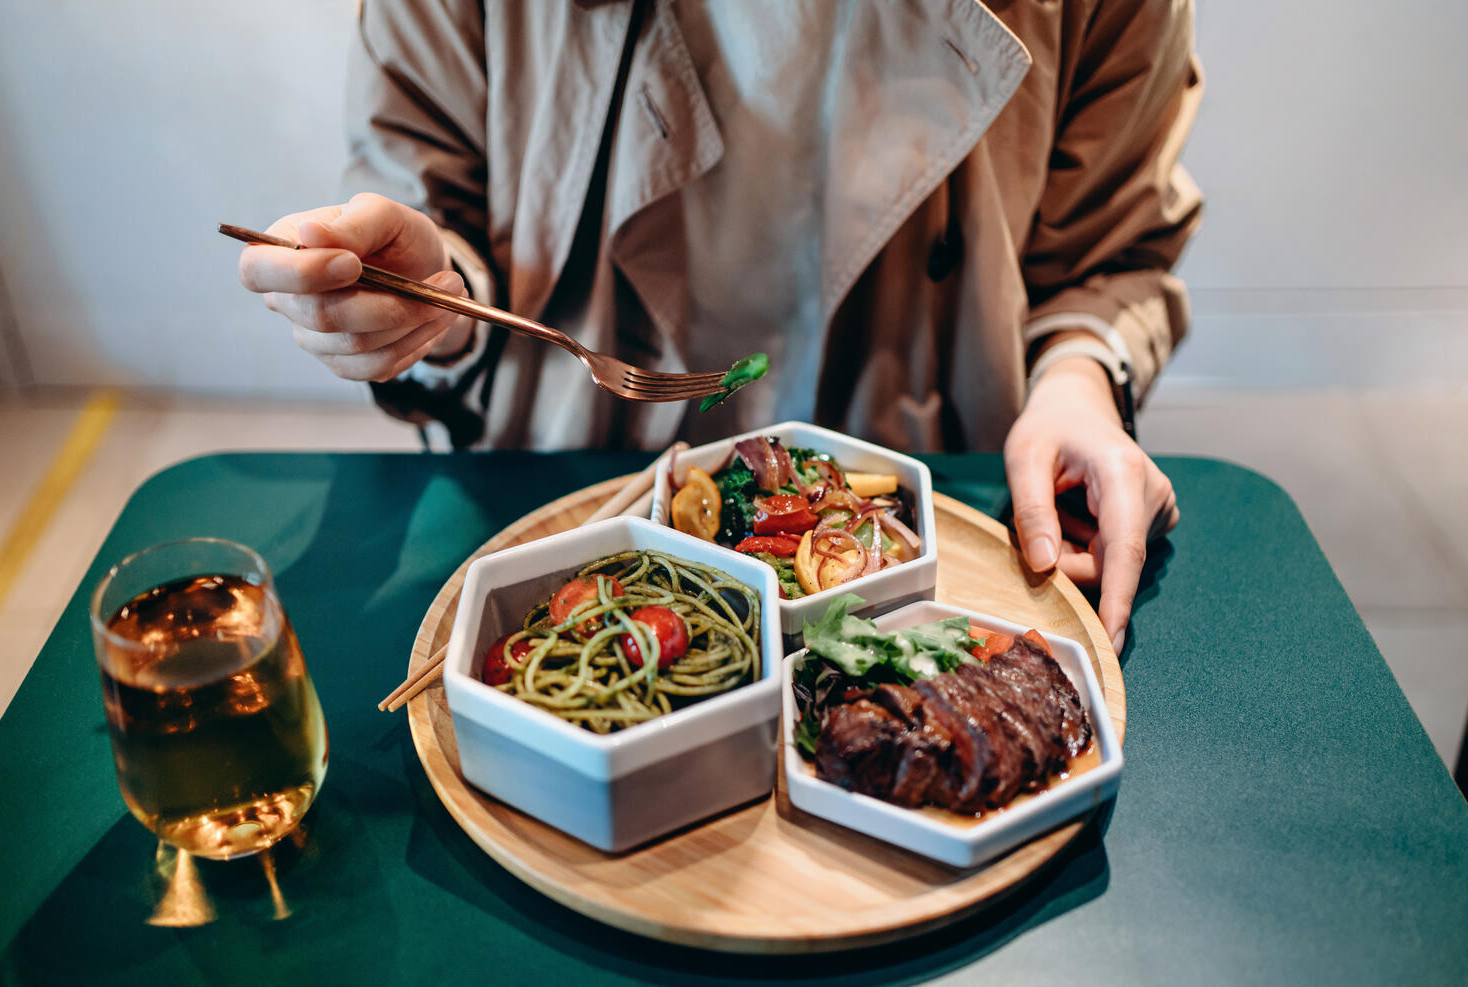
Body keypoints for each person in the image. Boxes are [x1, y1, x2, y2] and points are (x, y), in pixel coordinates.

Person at [237, 0, 1201, 652]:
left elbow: (1109, 253)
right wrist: (429, 307)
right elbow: (437, 217)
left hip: (940, 512)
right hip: (563, 493)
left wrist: (1077, 381)